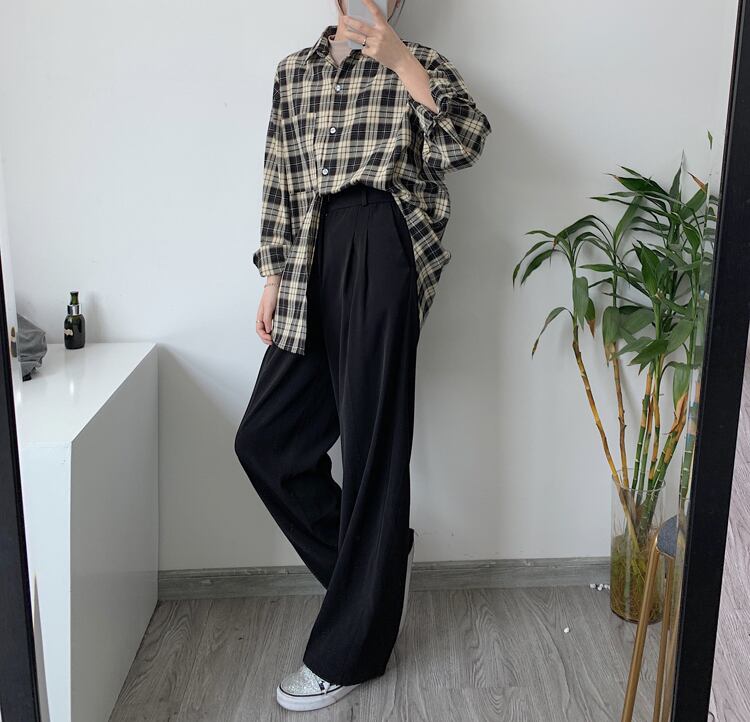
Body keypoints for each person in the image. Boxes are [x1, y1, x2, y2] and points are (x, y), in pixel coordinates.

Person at [234, 0, 491, 711]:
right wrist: (273, 275)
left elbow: (466, 143)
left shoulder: (423, 64)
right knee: (266, 442)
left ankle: (352, 650)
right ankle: (375, 573)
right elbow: (281, 175)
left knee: (373, 446)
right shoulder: (295, 72)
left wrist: (402, 63)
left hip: (381, 238)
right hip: (310, 251)